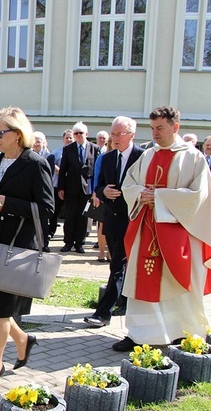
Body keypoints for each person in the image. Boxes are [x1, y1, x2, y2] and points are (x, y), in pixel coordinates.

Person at [114, 106, 211, 352]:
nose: (155, 133)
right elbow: (129, 185)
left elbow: (198, 196)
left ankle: (183, 332)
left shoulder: (192, 157)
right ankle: (139, 335)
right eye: (152, 128)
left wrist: (161, 197)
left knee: (178, 284)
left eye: (160, 128)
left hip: (178, 234)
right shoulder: (147, 155)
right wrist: (140, 194)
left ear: (175, 127)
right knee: (140, 281)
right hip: (146, 229)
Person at [0, 106, 54, 390]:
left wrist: (6, 202)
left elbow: (46, 209)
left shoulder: (35, 163)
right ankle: (23, 339)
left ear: (17, 134)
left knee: (0, 308)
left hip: (18, 246)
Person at [83, 116, 144, 328]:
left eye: (120, 134)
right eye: (113, 134)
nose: (115, 138)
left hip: (133, 219)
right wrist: (103, 191)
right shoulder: (108, 158)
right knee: (118, 264)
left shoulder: (143, 157)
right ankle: (123, 301)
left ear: (132, 135)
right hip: (111, 219)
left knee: (118, 265)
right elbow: (98, 186)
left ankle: (103, 313)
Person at [57, 122, 98, 253]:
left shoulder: (94, 148)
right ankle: (68, 242)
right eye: (76, 133)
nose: (78, 135)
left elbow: (97, 170)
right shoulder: (68, 149)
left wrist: (96, 190)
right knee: (70, 216)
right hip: (71, 188)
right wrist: (60, 188)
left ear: (87, 134)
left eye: (81, 133)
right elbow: (63, 170)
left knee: (83, 217)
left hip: (87, 189)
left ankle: (79, 243)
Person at [46, 129, 75, 239]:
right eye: (67, 138)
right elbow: (52, 165)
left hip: (72, 187)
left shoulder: (76, 152)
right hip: (57, 186)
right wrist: (64, 172)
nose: (69, 140)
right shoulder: (57, 152)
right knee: (54, 211)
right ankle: (50, 232)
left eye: (70, 137)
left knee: (70, 213)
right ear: (63, 139)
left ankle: (68, 236)